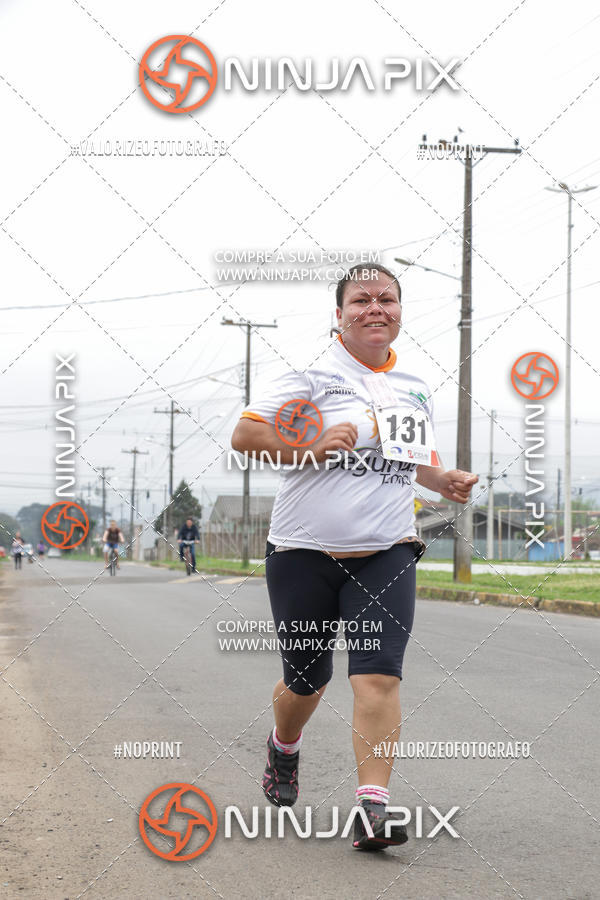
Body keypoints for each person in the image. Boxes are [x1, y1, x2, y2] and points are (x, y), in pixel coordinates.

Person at [231, 262, 478, 851]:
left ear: (399, 311)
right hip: (303, 553)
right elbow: (245, 437)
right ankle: (283, 746)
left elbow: (415, 462)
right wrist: (308, 444)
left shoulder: (415, 385)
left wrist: (443, 481)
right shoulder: (310, 375)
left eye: (386, 300)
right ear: (338, 314)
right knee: (306, 679)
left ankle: (372, 809)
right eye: (361, 300)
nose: (376, 309)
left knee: (376, 678)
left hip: (387, 550)